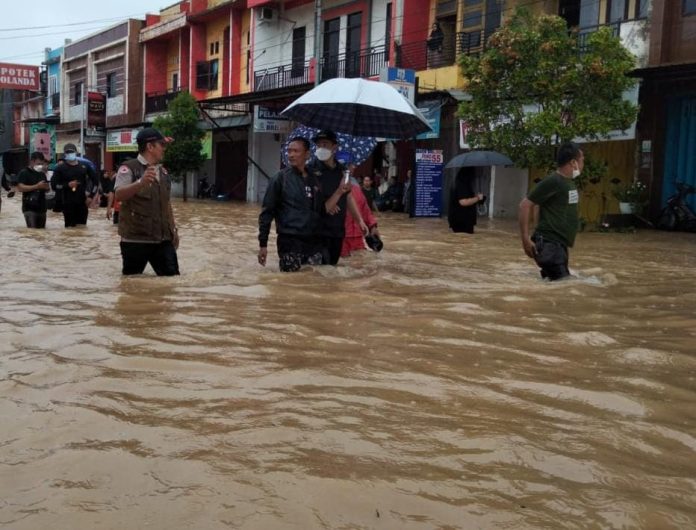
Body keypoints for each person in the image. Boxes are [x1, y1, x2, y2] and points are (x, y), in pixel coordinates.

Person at [114, 128, 180, 276]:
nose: (164, 149)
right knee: (132, 285)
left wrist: (173, 230)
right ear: (150, 147)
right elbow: (119, 194)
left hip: (163, 239)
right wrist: (140, 183)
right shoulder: (128, 168)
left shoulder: (163, 172)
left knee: (172, 281)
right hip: (135, 239)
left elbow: (166, 203)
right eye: (161, 145)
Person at [519, 142, 583, 281]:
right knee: (565, 287)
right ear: (573, 162)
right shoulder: (555, 180)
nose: (583, 163)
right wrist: (526, 239)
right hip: (551, 245)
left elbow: (538, 205)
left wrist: (538, 229)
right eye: (581, 160)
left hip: (558, 245)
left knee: (556, 286)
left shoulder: (568, 182)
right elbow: (525, 205)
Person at [258, 137, 324, 272]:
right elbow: (267, 212)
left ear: (307, 154)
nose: (291, 155)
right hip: (289, 240)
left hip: (313, 241)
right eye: (289, 151)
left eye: (296, 151)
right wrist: (263, 244)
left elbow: (319, 209)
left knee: (313, 281)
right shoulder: (280, 179)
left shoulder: (315, 179)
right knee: (289, 282)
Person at [308, 129, 367, 266]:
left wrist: (360, 221)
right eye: (318, 145)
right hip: (317, 231)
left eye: (325, 144)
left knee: (331, 270)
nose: (321, 148)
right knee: (318, 271)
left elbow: (349, 196)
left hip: (337, 230)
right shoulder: (310, 170)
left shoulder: (342, 171)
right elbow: (308, 198)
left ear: (335, 147)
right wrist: (326, 203)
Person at [51, 143, 98, 227]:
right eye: (68, 152)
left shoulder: (85, 166)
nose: (70, 154)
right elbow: (54, 186)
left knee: (81, 229)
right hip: (67, 203)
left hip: (82, 202)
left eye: (71, 152)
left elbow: (96, 182)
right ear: (64, 154)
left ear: (76, 152)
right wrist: (67, 185)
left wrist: (91, 196)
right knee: (70, 230)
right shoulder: (60, 168)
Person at [342, 169, 380, 258]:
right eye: (350, 165)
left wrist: (373, 226)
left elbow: (366, 210)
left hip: (358, 236)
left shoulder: (357, 189)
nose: (353, 167)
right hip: (341, 237)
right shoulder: (332, 187)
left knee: (360, 263)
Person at [16, 152, 51, 228]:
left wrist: (46, 188)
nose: (40, 166)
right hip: (29, 208)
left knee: (41, 233)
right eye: (38, 164)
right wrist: (36, 186)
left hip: (42, 208)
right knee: (32, 232)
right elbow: (20, 188)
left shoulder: (42, 173)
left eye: (41, 164)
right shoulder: (24, 173)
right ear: (32, 161)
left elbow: (47, 189)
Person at [448, 167, 484, 234]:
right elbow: (463, 202)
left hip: (462, 220)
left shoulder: (459, 183)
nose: (474, 176)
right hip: (462, 221)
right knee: (465, 242)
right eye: (473, 173)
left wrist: (476, 197)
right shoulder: (461, 184)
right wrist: (478, 198)